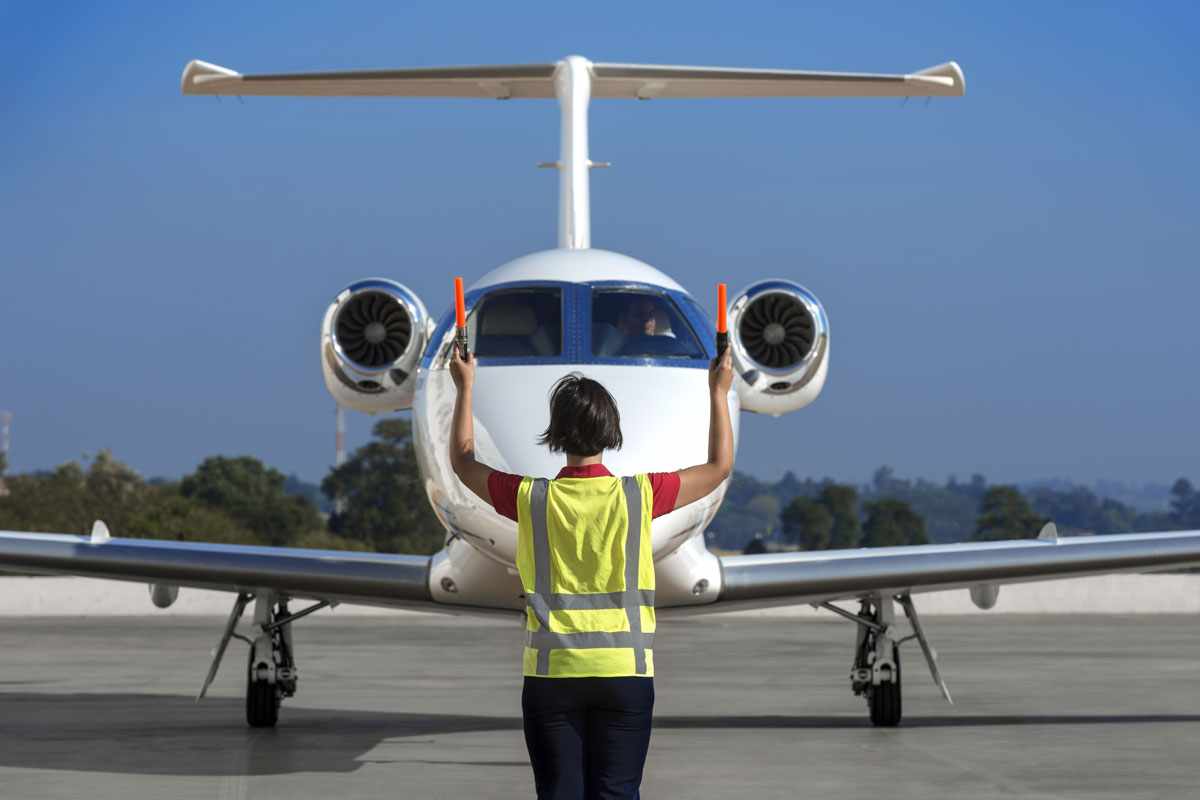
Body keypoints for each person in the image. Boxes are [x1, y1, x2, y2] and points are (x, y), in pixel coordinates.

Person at [449, 343, 734, 800]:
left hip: (552, 678)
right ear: (610, 431)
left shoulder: (532, 499)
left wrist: (465, 387)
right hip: (625, 676)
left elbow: (463, 462)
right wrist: (718, 392)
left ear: (556, 434)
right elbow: (719, 467)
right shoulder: (640, 496)